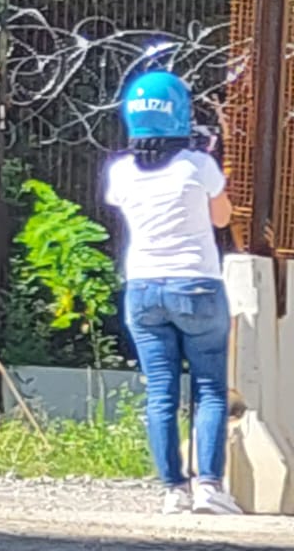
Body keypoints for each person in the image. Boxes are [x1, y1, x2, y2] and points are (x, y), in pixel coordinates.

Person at [105, 69, 241, 515]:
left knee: (161, 391)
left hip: (142, 287)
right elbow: (222, 219)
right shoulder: (198, 165)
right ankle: (209, 487)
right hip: (197, 283)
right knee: (210, 390)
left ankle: (172, 491)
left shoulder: (120, 172)